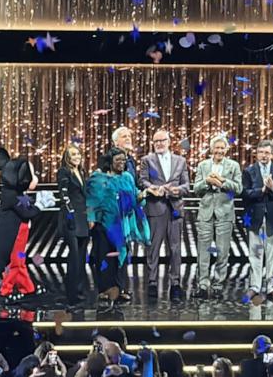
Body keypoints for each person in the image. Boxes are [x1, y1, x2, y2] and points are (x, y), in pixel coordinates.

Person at [86, 148, 150, 305]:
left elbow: (135, 197)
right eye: (118, 160)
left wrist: (142, 196)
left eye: (124, 160)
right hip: (102, 224)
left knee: (121, 256)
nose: (122, 163)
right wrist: (91, 218)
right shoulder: (98, 178)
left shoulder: (127, 177)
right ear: (110, 162)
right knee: (103, 256)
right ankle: (104, 290)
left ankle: (119, 289)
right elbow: (91, 201)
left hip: (122, 225)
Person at [0, 147, 51, 302]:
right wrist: (41, 205)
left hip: (20, 231)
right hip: (14, 233)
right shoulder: (10, 194)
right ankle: (6, 291)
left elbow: (26, 204)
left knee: (20, 260)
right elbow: (27, 212)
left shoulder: (15, 193)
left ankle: (27, 288)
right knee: (15, 262)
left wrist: (36, 201)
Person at [138, 129, 189, 301]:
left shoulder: (180, 161)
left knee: (175, 249)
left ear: (169, 141)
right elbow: (142, 180)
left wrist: (177, 190)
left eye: (162, 140)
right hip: (155, 207)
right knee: (153, 248)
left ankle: (175, 284)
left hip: (175, 208)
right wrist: (151, 188)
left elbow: (186, 185)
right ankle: (152, 282)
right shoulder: (147, 160)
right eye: (156, 141)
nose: (159, 143)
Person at [191, 134, 242, 299]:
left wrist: (222, 181)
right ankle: (203, 285)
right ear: (211, 149)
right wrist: (207, 182)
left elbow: (238, 188)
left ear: (226, 149)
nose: (219, 151)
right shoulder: (203, 165)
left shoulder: (233, 166)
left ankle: (218, 285)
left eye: (222, 148)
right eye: (217, 147)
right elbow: (196, 189)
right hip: (206, 213)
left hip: (225, 213)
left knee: (222, 252)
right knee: (203, 251)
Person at [242, 140, 273, 301]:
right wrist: (261, 190)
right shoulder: (249, 171)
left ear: (272, 154)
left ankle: (272, 287)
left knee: (272, 254)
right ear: (256, 153)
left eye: (267, 153)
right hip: (255, 217)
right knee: (255, 254)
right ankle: (255, 286)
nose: (264, 155)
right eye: (261, 152)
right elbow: (244, 193)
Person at [57, 144, 89, 305]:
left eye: (78, 154)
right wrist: (69, 213)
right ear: (67, 158)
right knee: (74, 256)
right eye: (73, 154)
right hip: (71, 219)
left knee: (82, 257)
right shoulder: (64, 172)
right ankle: (71, 294)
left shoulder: (82, 172)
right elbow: (63, 194)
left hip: (83, 218)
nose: (77, 157)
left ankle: (80, 292)